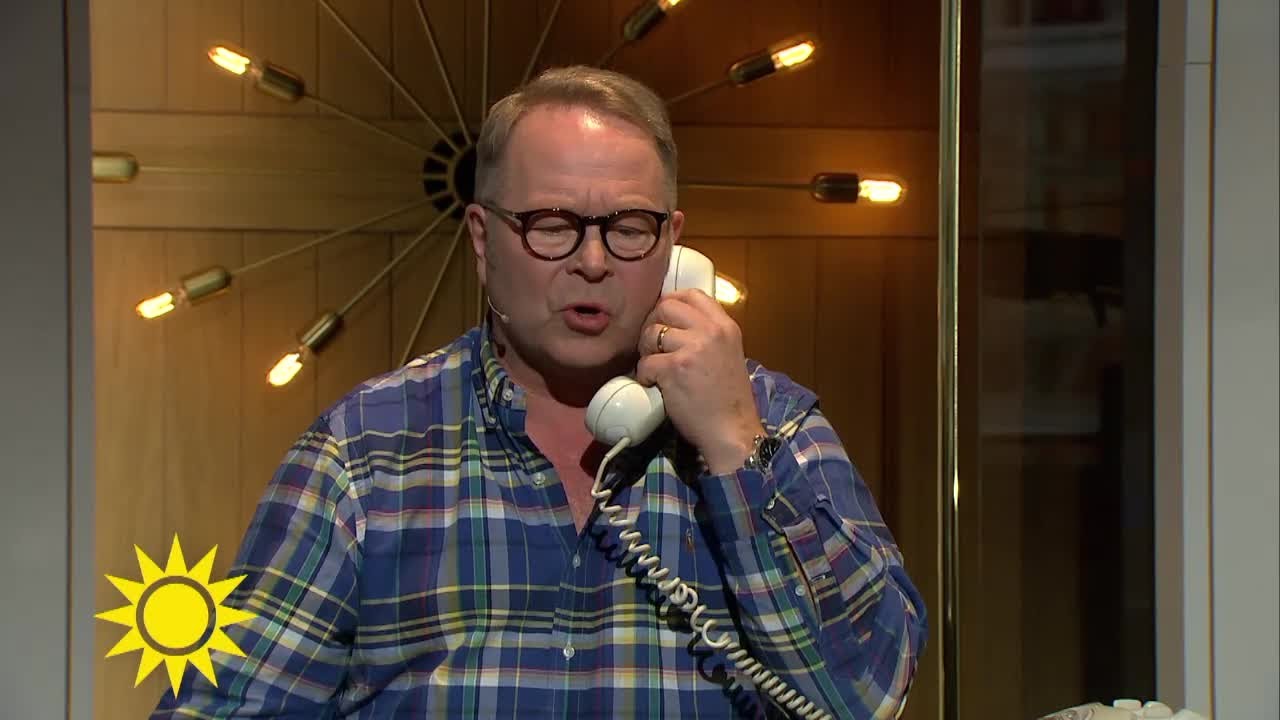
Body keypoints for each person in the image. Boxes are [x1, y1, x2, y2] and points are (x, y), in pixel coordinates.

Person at [153, 65, 927, 719]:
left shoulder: (775, 423)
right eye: (553, 224)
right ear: (483, 241)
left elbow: (871, 695)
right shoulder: (365, 450)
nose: (593, 261)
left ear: (673, 244)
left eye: (629, 226)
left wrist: (733, 448)